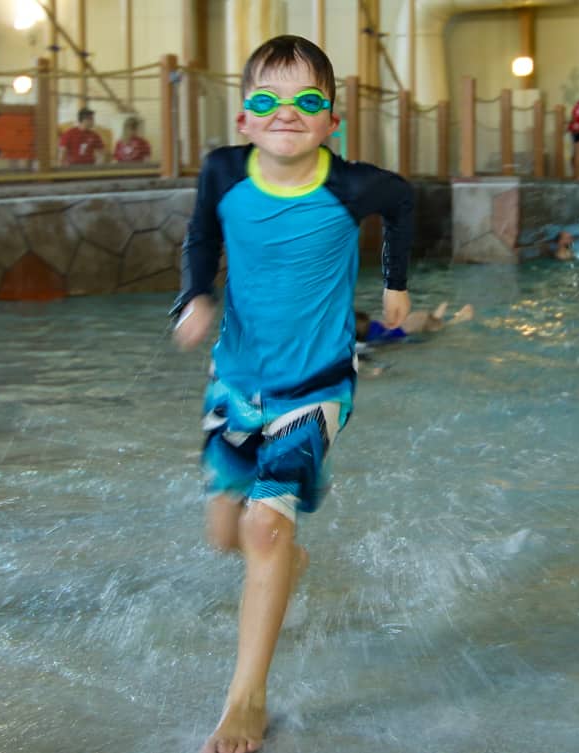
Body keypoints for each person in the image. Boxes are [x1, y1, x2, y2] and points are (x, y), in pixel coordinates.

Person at [170, 35, 414, 753]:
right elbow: (199, 237)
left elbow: (402, 203)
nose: (287, 113)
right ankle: (285, 562)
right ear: (243, 118)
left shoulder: (350, 184)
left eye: (308, 101)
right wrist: (194, 295)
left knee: (263, 529)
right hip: (237, 382)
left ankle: (245, 700)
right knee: (226, 534)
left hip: (317, 385)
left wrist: (395, 287)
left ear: (332, 120)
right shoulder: (222, 173)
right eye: (267, 101)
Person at [355, 302, 474, 343]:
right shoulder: (373, 327)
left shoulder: (373, 339)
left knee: (441, 327)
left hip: (415, 324)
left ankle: (459, 318)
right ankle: (443, 316)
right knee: (436, 323)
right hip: (412, 321)